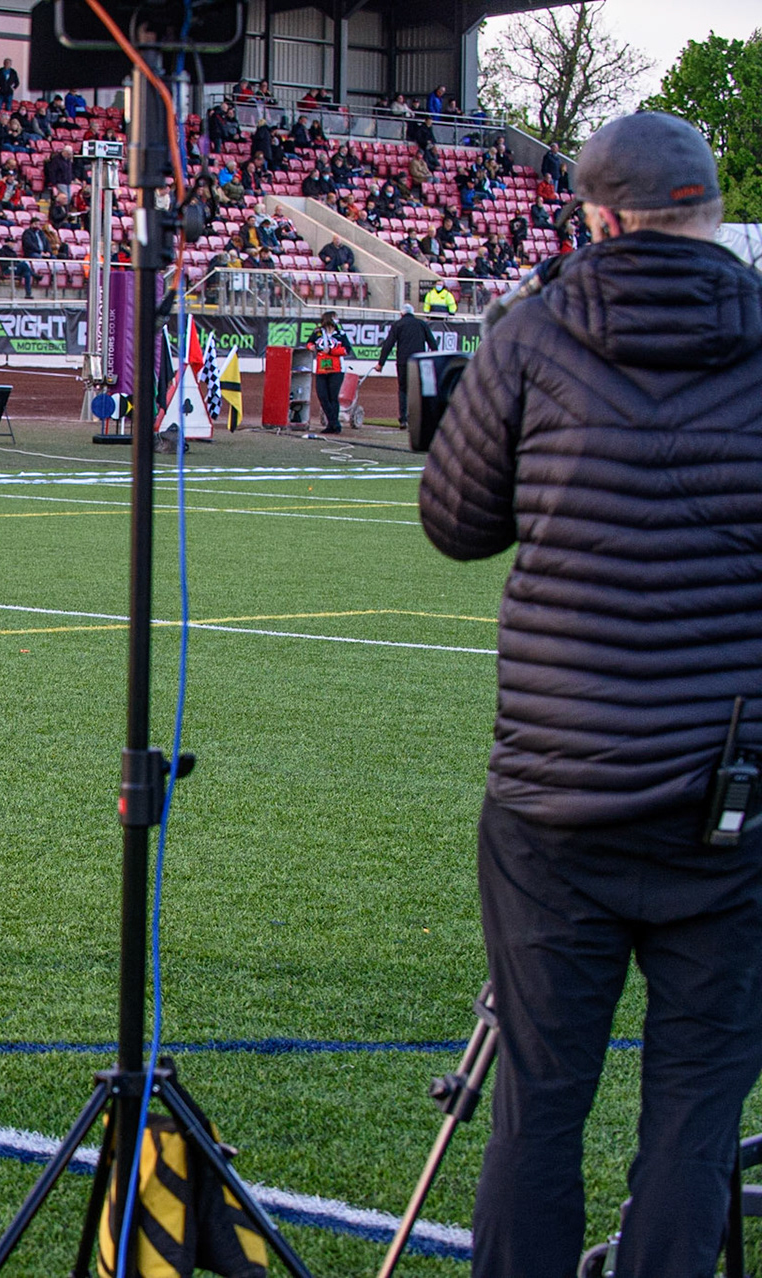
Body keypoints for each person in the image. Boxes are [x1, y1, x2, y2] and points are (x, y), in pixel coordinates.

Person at [416, 111, 762, 1278]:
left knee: (540, 1104)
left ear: (599, 218)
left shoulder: (533, 334)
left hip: (558, 793)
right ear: (708, 210)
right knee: (695, 1119)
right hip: (728, 797)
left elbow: (455, 522)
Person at [372, 303, 437, 430]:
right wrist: (434, 359)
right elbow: (432, 343)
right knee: (418, 390)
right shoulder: (421, 324)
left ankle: (403, 419)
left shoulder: (398, 325)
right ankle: (418, 418)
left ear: (401, 314)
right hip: (418, 361)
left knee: (403, 389)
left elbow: (388, 345)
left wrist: (381, 363)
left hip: (403, 362)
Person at [306, 310, 349, 435]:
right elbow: (309, 343)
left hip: (336, 369)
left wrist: (330, 351)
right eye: (335, 318)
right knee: (322, 396)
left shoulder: (340, 334)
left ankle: (333, 425)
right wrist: (311, 347)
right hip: (321, 368)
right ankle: (334, 423)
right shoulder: (318, 332)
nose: (337, 320)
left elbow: (346, 350)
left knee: (332, 397)